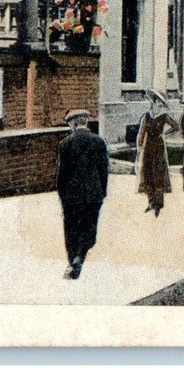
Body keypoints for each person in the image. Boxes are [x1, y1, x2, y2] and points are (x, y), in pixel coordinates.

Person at [56, 108, 109, 280]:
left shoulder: (64, 144)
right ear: (86, 122)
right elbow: (103, 171)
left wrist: (62, 195)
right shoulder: (99, 142)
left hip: (71, 196)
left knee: (71, 228)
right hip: (94, 194)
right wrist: (102, 192)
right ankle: (80, 256)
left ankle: (73, 261)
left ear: (73, 123)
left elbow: (61, 175)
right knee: (89, 228)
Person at [136, 89, 179, 217]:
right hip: (148, 146)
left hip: (159, 147)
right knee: (148, 172)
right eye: (157, 102)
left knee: (158, 172)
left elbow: (176, 126)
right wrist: (139, 145)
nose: (159, 104)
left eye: (161, 103)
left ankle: (158, 203)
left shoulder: (164, 116)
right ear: (153, 102)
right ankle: (151, 202)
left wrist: (164, 134)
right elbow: (141, 131)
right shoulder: (147, 116)